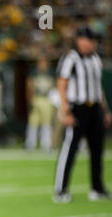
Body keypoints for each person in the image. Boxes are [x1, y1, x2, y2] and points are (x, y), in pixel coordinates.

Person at [53, 26, 111, 203]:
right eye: (90, 40)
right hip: (77, 107)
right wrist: (65, 111)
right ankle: (61, 190)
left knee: (97, 148)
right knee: (70, 148)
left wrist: (105, 110)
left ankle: (97, 188)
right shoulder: (71, 58)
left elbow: (97, 87)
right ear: (80, 40)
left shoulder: (95, 58)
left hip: (94, 108)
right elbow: (62, 84)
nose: (93, 44)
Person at [25, 57, 55, 151]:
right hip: (36, 99)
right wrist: (29, 101)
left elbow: (54, 87)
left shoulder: (51, 73)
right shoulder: (34, 73)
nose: (42, 64)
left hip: (47, 99)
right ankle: (30, 144)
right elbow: (29, 88)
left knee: (46, 123)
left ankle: (46, 144)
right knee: (33, 122)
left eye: (44, 62)